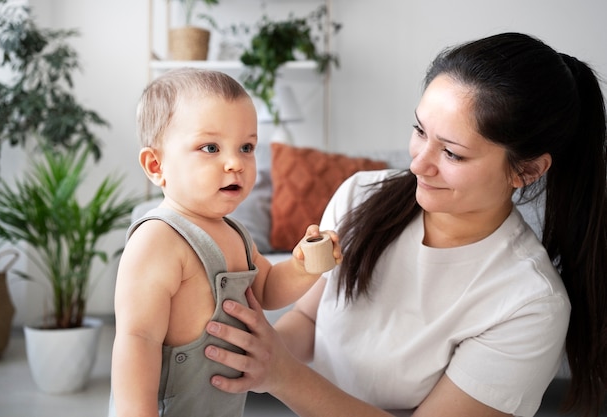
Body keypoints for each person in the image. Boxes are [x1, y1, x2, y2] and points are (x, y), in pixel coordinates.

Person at [203, 32, 607, 417]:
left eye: (452, 153)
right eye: (419, 131)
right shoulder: (360, 195)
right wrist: (250, 355)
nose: (417, 163)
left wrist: (281, 374)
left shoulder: (529, 303)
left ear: (528, 170)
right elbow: (311, 320)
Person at [108, 68, 342, 417]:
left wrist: (302, 267)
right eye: (210, 147)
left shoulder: (234, 233)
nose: (235, 163)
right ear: (156, 165)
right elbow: (136, 340)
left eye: (246, 147)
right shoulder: (157, 239)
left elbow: (266, 289)